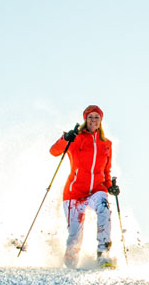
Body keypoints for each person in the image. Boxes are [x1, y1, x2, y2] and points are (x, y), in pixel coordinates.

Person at [49, 104, 120, 269]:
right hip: (75, 193)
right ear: (85, 119)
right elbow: (54, 151)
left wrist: (110, 186)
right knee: (75, 236)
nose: (93, 120)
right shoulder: (76, 138)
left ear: (101, 120)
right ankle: (70, 266)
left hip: (97, 190)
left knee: (104, 210)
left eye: (96, 117)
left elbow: (106, 171)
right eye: (90, 117)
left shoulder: (106, 144)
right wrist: (65, 139)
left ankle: (103, 254)